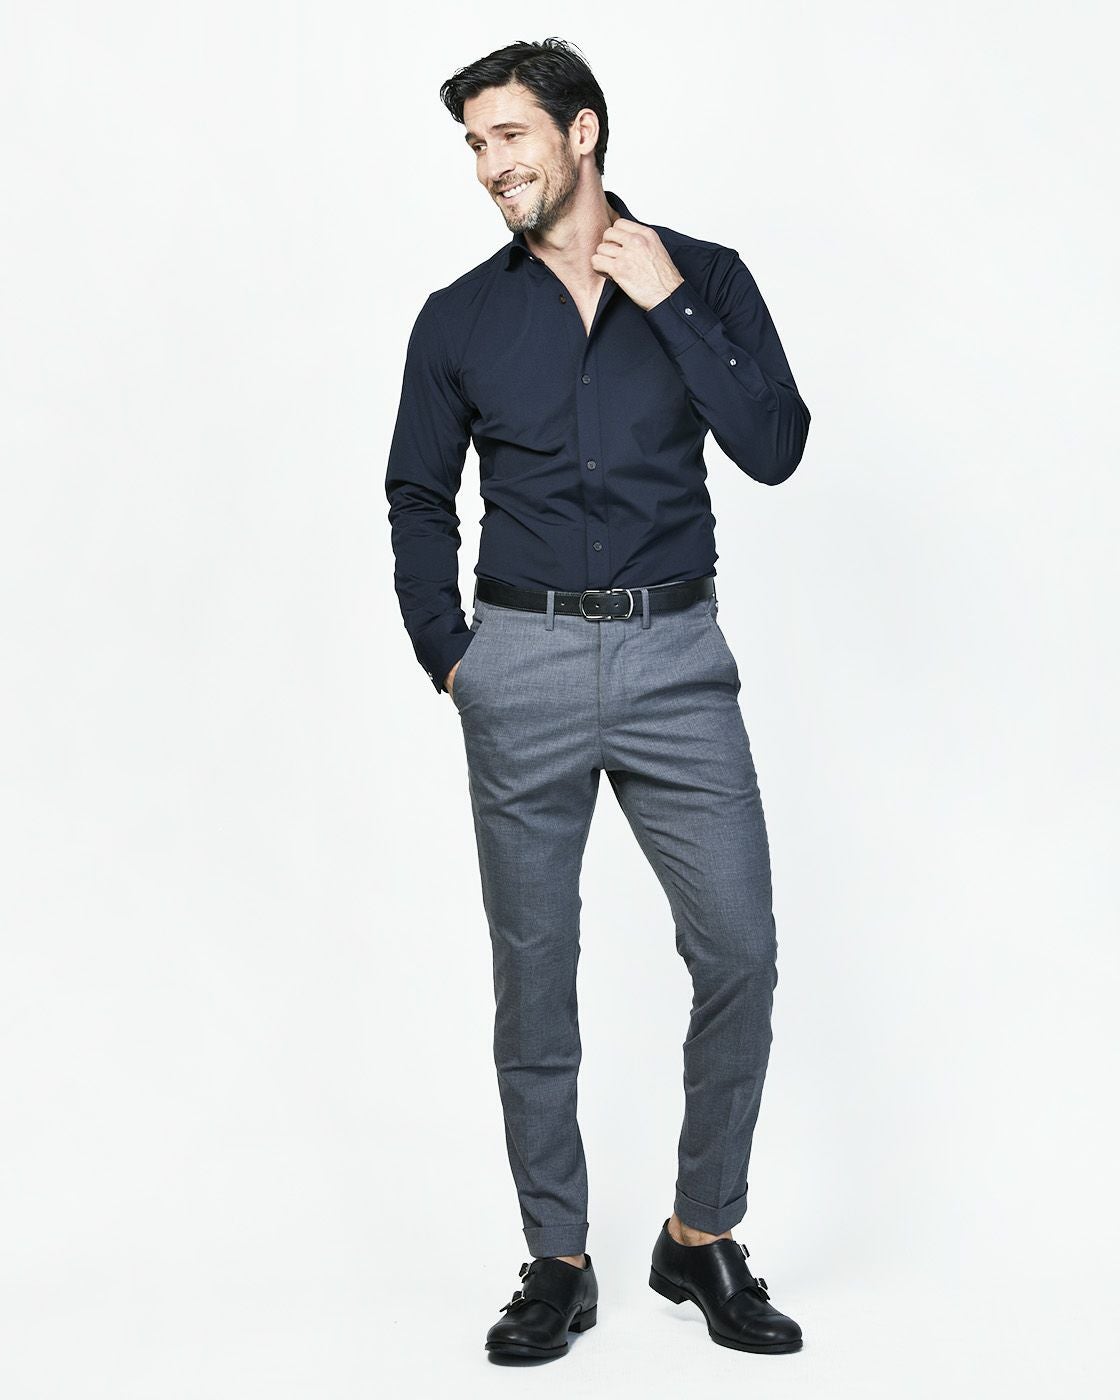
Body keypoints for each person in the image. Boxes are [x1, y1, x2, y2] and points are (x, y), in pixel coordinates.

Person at [384, 38, 811, 1360]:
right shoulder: (460, 317)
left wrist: (670, 303)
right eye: (475, 144)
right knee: (535, 974)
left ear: (582, 132)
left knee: (739, 949)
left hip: (678, 658)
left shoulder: (706, 276)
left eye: (509, 134)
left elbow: (775, 446)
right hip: (519, 662)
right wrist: (452, 653)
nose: (490, 165)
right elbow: (416, 494)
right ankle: (556, 1260)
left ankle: (700, 1236)